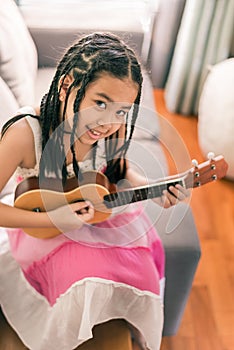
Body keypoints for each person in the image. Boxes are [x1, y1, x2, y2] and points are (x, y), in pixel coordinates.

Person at [0, 32, 188, 350]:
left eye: (121, 111)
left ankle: (126, 324)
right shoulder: (24, 133)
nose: (107, 122)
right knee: (88, 271)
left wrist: (152, 189)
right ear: (65, 86)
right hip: (38, 225)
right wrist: (56, 219)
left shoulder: (111, 128)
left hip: (91, 215)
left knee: (141, 262)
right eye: (99, 103)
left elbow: (119, 168)